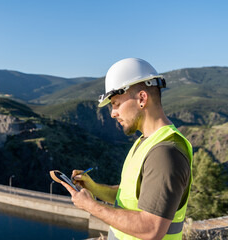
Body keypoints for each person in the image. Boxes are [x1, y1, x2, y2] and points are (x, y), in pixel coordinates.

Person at [60, 58, 193, 240]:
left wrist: (92, 206)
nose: (113, 113)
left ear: (141, 98)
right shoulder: (145, 142)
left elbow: (151, 228)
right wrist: (95, 188)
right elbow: (132, 197)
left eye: (115, 103)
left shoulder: (165, 152)